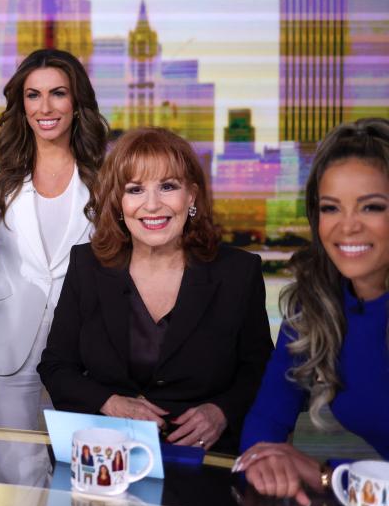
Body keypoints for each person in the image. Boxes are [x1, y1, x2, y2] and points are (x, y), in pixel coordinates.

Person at [39, 127, 273, 454]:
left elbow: (261, 369)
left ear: (191, 196)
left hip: (204, 457)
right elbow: (56, 365)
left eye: (167, 186)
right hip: (105, 454)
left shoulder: (238, 273)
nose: (152, 205)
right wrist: (109, 403)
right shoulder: (86, 266)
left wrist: (222, 411)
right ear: (119, 203)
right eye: (135, 189)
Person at [237, 118, 389, 506]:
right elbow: (267, 419)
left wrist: (328, 475)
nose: (348, 226)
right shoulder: (317, 303)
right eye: (331, 208)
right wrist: (266, 461)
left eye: (371, 207)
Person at [0, 48, 108, 431]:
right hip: (4, 342)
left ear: (77, 102)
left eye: (58, 93)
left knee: (79, 469)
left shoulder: (105, 169)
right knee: (10, 470)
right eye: (33, 95)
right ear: (22, 103)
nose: (45, 107)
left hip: (86, 348)